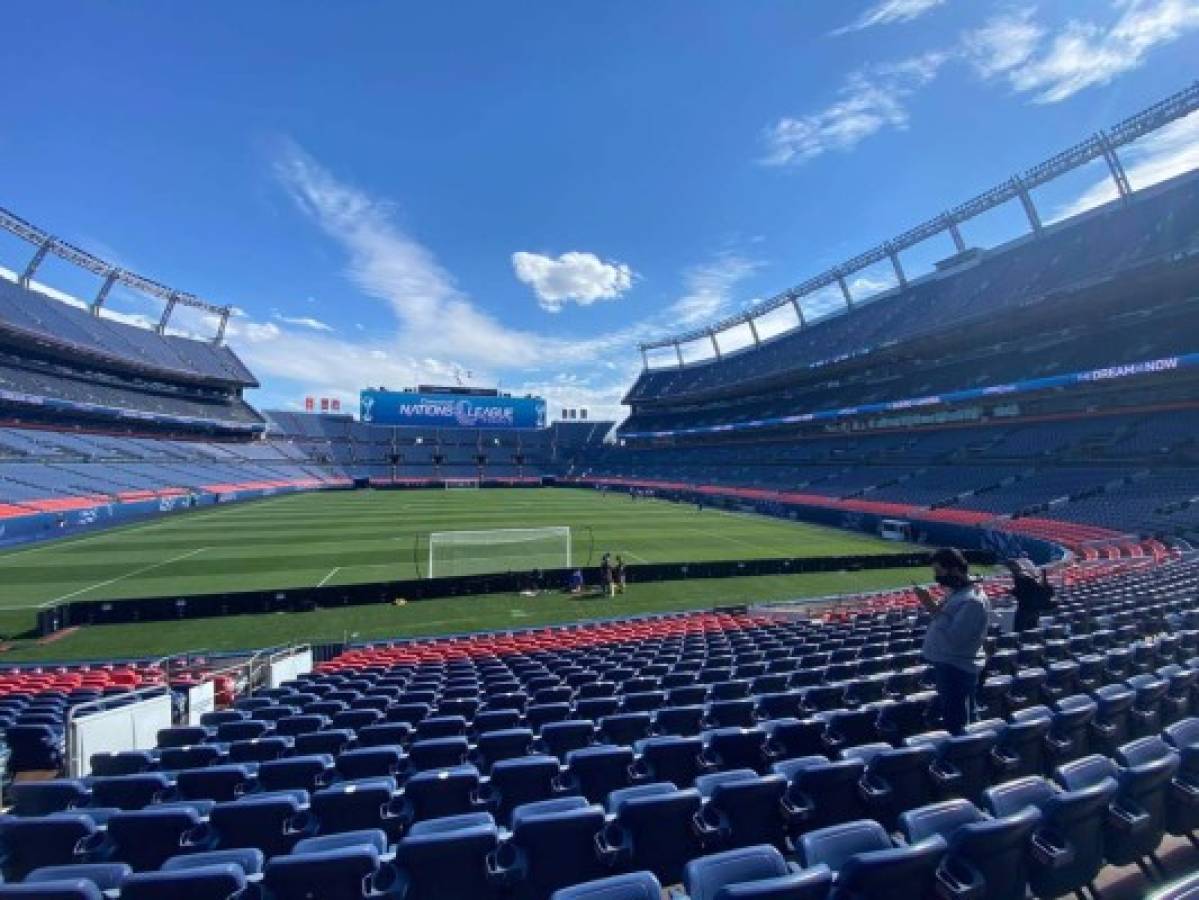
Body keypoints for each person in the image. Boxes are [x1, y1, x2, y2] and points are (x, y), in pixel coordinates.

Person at [914, 548, 990, 736]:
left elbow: (956, 638)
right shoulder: (959, 592)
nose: (937, 577)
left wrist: (930, 605)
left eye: (939, 572)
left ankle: (963, 754)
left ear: (955, 570)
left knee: (958, 720)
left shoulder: (972, 600)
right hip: (951, 664)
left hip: (956, 667)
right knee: (960, 712)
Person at [1008, 558, 1054, 632]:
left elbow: (1023, 592)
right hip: (1034, 609)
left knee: (1020, 630)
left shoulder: (1021, 577)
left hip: (1025, 609)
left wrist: (1012, 591)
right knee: (1032, 629)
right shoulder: (1027, 576)